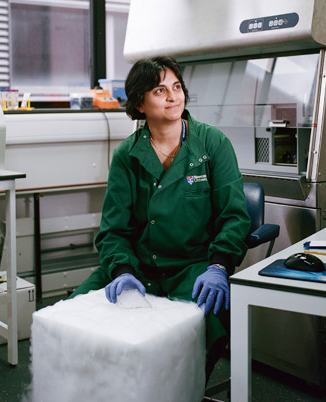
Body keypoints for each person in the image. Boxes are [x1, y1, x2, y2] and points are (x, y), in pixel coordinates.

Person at [70, 56, 250, 383]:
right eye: (159, 90)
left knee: (181, 345)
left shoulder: (212, 144)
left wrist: (219, 266)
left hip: (193, 270)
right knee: (74, 319)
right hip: (137, 267)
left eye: (177, 87)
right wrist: (122, 272)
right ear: (139, 104)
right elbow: (113, 231)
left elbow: (234, 217)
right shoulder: (127, 156)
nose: (173, 97)